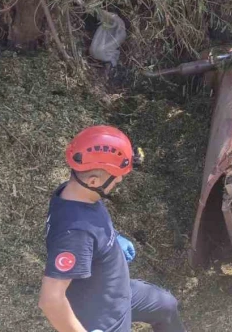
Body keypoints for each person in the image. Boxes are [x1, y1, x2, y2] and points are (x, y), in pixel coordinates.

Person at [38, 125, 186, 332]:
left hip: (116, 289)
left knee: (165, 306)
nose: (120, 179)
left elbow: (89, 225)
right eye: (116, 175)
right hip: (103, 316)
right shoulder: (75, 234)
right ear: (93, 180)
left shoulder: (76, 192)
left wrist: (112, 238)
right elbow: (51, 300)